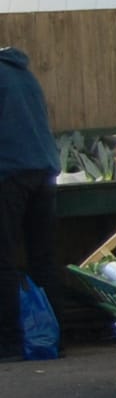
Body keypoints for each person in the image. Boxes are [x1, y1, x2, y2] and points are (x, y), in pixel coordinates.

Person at [0, 47, 60, 362]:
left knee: (3, 262)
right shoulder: (22, 72)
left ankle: (9, 344)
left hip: (9, 173)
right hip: (44, 172)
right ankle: (53, 339)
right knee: (43, 260)